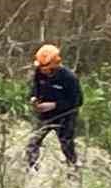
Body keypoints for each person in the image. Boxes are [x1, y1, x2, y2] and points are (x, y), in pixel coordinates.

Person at [25, 43, 83, 171]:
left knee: (66, 144)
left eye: (45, 67)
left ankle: (73, 167)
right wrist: (33, 98)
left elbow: (77, 101)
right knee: (33, 141)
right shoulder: (38, 73)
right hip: (45, 115)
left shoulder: (69, 78)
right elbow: (35, 88)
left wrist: (54, 105)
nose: (42, 70)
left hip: (65, 116)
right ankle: (32, 168)